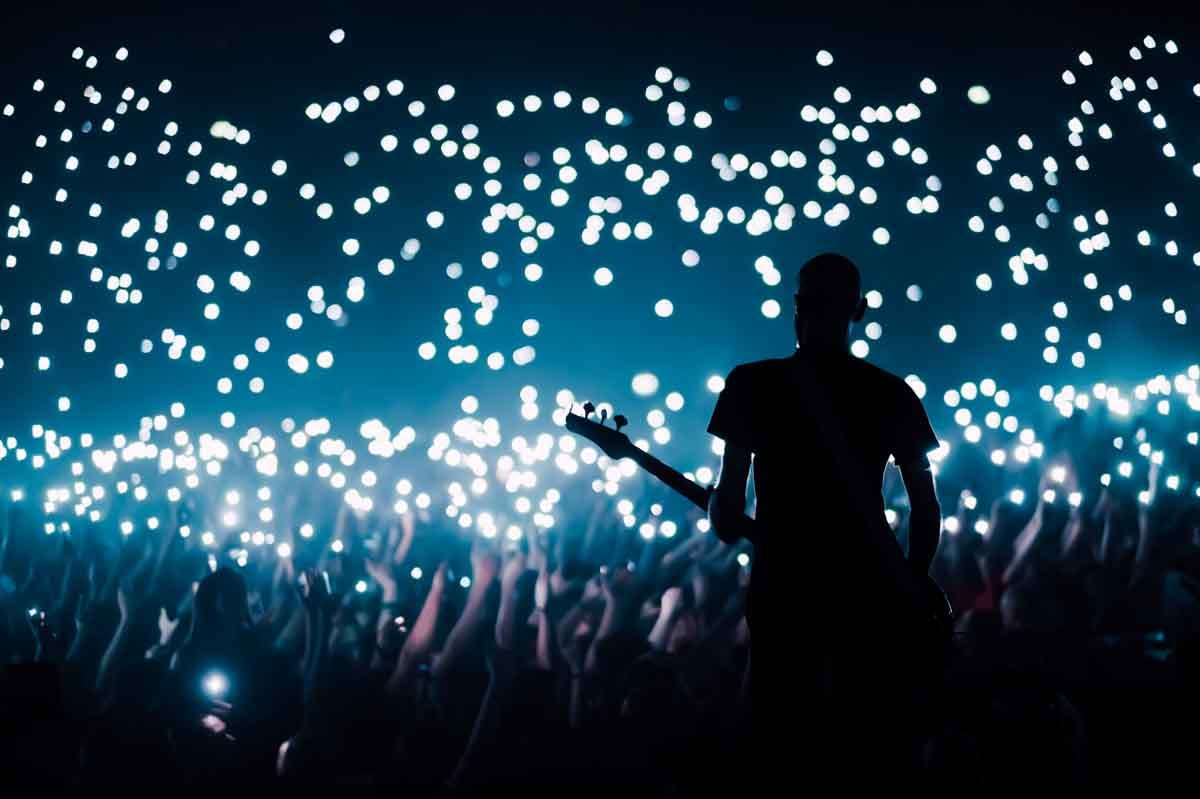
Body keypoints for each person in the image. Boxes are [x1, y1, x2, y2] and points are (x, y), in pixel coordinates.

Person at [706, 252, 943, 778]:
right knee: (864, 748)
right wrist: (911, 581)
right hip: (869, 594)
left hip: (784, 591)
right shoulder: (892, 393)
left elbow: (728, 514)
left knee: (778, 739)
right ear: (859, 310)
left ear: (796, 305)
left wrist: (717, 511)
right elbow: (925, 508)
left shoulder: (750, 384)